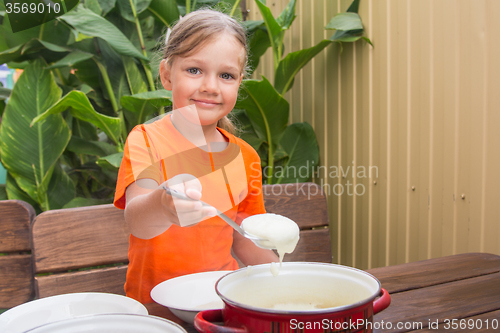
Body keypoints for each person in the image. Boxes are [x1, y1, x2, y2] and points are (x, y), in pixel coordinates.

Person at [113, 9, 278, 304]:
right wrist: (163, 205)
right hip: (154, 310)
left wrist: (284, 278)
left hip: (218, 304)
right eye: (194, 70)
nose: (210, 87)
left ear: (239, 83)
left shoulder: (245, 157)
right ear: (166, 74)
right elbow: (137, 221)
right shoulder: (147, 140)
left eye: (226, 75)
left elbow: (244, 238)